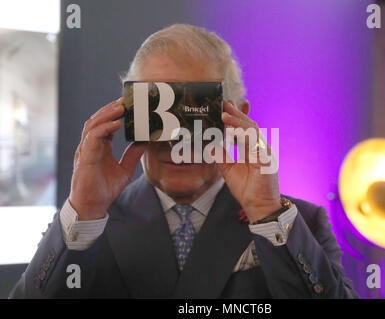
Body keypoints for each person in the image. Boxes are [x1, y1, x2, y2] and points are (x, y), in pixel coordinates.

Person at [10, 24, 358, 298]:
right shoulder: (87, 227)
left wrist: (267, 213)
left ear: (238, 118)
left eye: (196, 113)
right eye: (157, 114)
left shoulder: (300, 223)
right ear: (129, 116)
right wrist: (84, 211)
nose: (177, 139)